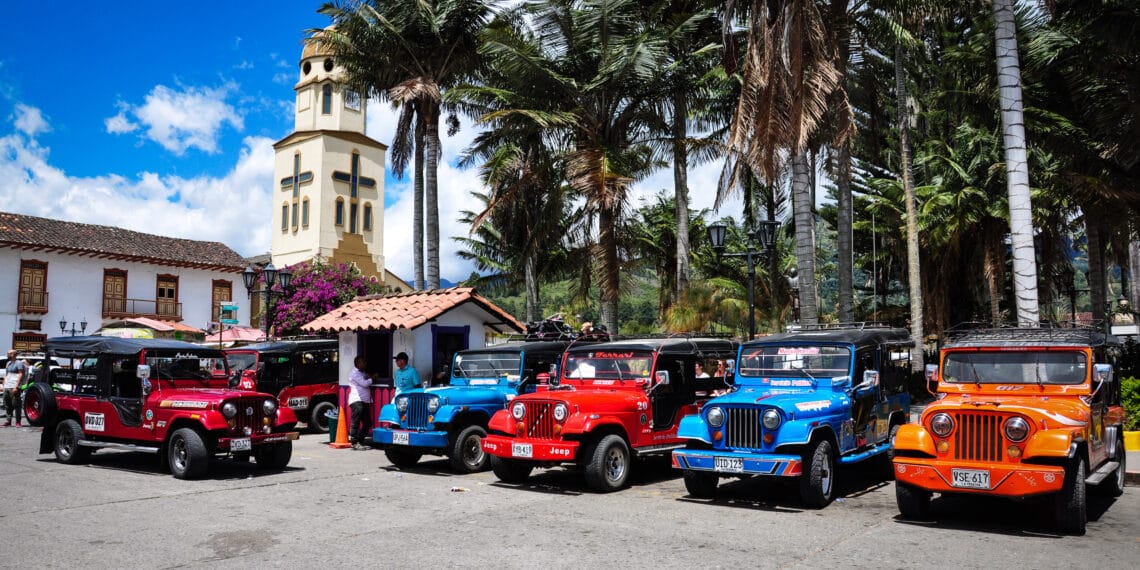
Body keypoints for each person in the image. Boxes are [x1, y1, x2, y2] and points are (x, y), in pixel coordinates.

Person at [347, 356, 375, 450]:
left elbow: (366, 378)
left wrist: (369, 377)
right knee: (356, 422)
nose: (365, 364)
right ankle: (354, 443)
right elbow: (365, 383)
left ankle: (360, 441)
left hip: (363, 401)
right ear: (358, 364)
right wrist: (373, 378)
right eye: (363, 362)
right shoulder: (354, 373)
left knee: (367, 423)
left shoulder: (362, 372)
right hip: (356, 400)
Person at [4, 349, 27, 427]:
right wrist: (4, 385)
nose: (7, 354)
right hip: (7, 386)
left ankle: (18, 421)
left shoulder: (19, 363)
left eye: (9, 353)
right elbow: (6, 375)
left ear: (14, 354)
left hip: (14, 386)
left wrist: (16, 386)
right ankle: (8, 421)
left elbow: (21, 374)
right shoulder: (8, 363)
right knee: (7, 404)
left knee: (16, 405)